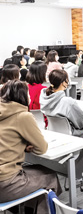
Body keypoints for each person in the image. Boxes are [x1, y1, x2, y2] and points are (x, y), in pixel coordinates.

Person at [0, 80, 61, 214]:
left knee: (38, 174)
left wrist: (19, 146)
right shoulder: (22, 116)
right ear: (21, 96)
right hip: (6, 183)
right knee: (50, 176)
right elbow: (42, 148)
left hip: (3, 179)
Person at [40, 69, 83, 136]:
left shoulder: (44, 99)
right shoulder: (68, 102)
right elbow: (82, 122)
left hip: (53, 134)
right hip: (72, 136)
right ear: (64, 82)